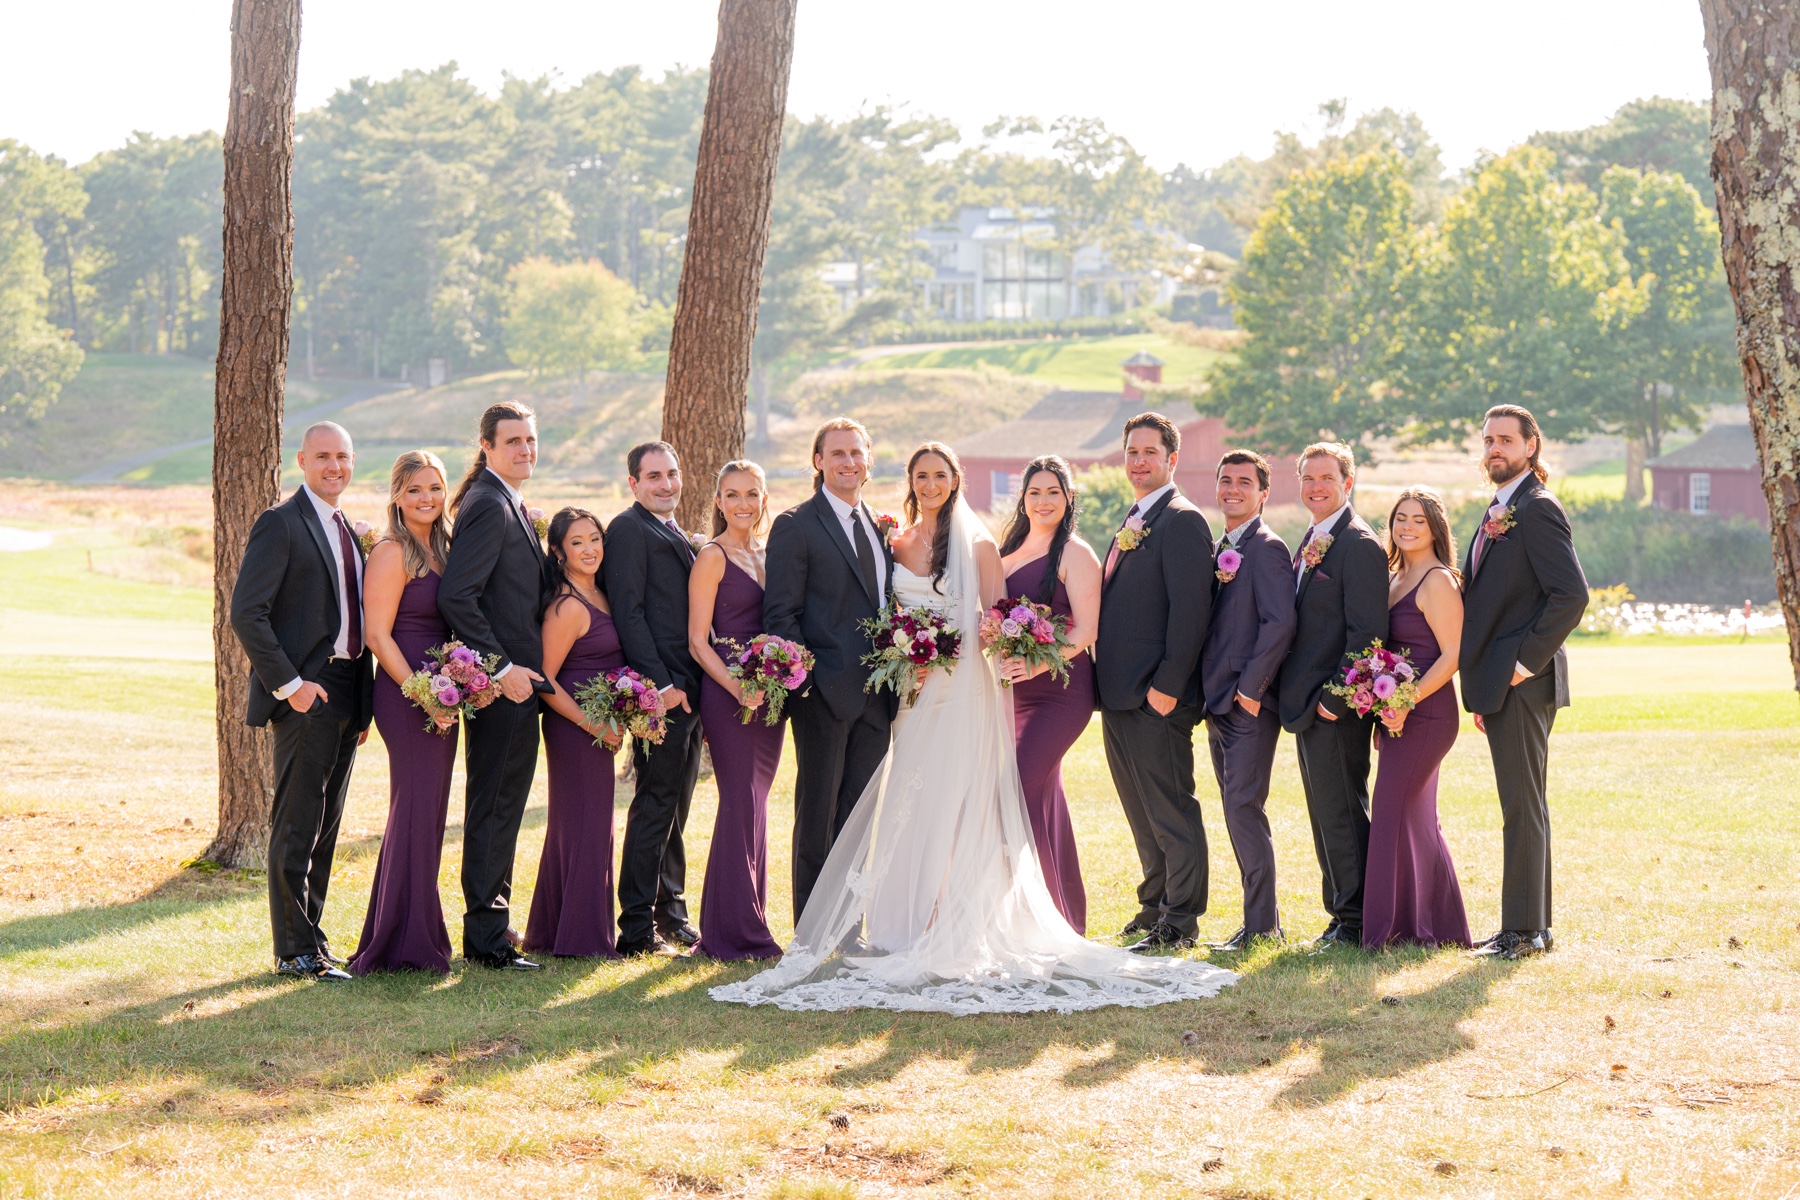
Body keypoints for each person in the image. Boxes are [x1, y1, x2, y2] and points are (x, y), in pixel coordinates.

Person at [711, 442, 1237, 1014]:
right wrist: (905, 654)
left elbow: (993, 624)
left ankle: (958, 923)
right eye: (921, 475)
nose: (931, 483)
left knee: (961, 804)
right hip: (907, 697)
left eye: (940, 474)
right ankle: (902, 925)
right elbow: (879, 615)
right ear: (910, 482)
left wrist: (960, 650)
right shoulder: (896, 540)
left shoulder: (980, 543)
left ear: (955, 479)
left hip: (960, 692)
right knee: (912, 805)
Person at [229, 421, 373, 982]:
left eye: (343, 456)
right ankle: (292, 952)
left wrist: (362, 705)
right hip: (306, 693)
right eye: (323, 457)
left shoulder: (348, 530)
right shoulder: (280, 523)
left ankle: (314, 941)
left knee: (327, 823)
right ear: (302, 461)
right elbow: (248, 612)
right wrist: (291, 685)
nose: (334, 466)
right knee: (296, 823)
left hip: (350, 692)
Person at [1460, 405, 1587, 961]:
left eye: (1506, 440)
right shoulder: (1500, 508)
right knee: (1525, 802)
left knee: (1522, 803)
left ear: (1531, 447)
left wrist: (1520, 666)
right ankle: (1531, 926)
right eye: (1489, 440)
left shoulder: (1535, 508)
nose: (1495, 449)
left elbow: (1571, 596)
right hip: (1500, 681)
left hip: (1523, 683)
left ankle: (1525, 931)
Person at [762, 418, 897, 923]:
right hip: (822, 695)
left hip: (878, 699)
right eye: (837, 453)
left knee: (860, 820)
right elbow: (780, 616)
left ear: (869, 460)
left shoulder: (879, 527)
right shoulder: (796, 524)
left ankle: (848, 926)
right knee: (817, 815)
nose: (848, 462)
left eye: (856, 453)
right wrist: (811, 685)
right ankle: (812, 929)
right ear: (818, 461)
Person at [1093, 412, 1216, 953]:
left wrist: (1166, 686)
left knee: (1170, 808)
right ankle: (1153, 906)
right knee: (1141, 811)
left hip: (1156, 697)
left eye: (1149, 452)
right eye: (1132, 451)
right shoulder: (1137, 515)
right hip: (1118, 694)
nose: (1138, 461)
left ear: (1172, 459)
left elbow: (1192, 613)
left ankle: (1181, 920)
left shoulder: (1183, 520)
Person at [437, 401, 546, 972]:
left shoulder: (509, 501)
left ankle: (494, 927)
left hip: (523, 687)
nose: (525, 449)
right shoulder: (486, 503)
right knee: (494, 806)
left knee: (504, 805)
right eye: (513, 441)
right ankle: (484, 938)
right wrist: (501, 671)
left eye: (530, 439)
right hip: (504, 689)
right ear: (487, 447)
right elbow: (457, 596)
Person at [348, 451, 458, 975]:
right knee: (415, 809)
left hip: (443, 694)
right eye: (415, 489)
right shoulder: (392, 551)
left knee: (426, 814)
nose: (427, 498)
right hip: (405, 693)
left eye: (435, 488)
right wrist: (425, 694)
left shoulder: (441, 549)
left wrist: (452, 690)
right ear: (396, 496)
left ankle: (412, 933)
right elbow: (376, 635)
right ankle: (400, 944)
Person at [1276, 442, 1389, 950]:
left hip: (1334, 708)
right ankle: (1340, 914)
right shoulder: (1316, 537)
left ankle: (1357, 920)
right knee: (1325, 811)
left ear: (1348, 483)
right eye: (1307, 478)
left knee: (1342, 811)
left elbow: (1367, 635)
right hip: (1306, 706)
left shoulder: (1359, 544)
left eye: (1326, 477)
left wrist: (1332, 701)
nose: (1315, 486)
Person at [604, 441, 705, 957]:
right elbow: (630, 612)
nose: (666, 484)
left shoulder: (674, 532)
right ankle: (636, 928)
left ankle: (673, 913)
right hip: (662, 693)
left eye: (672, 473)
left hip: (690, 692)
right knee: (654, 804)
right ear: (634, 484)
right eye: (654, 477)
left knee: (677, 807)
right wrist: (659, 687)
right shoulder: (627, 529)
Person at [994, 455, 1101, 934]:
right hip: (1013, 695)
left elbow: (1085, 630)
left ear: (1068, 498)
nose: (1043, 500)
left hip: (1061, 692)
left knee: (1018, 787)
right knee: (1044, 796)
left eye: (1053, 492)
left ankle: (1039, 924)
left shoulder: (1074, 554)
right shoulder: (1008, 550)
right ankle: (1064, 915)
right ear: (1023, 498)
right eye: (1034, 492)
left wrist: (1036, 660)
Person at [1362, 487, 1472, 950]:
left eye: (1418, 520)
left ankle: (1386, 932)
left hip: (1428, 715)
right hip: (1397, 715)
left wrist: (1406, 700)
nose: (1406, 527)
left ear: (1435, 528)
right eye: (1400, 518)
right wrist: (1382, 710)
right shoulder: (1393, 577)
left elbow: (1452, 655)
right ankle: (1438, 929)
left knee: (1389, 813)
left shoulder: (1437, 581)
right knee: (1417, 818)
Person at [1198, 451, 1296, 952]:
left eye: (1244, 482)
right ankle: (1258, 921)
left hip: (1248, 704)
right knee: (1235, 809)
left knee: (1242, 808)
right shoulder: (1220, 548)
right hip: (1217, 703)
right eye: (1225, 480)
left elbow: (1280, 622)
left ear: (1263, 493)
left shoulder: (1268, 548)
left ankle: (1263, 927)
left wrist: (1250, 692)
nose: (1232, 489)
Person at [688, 461, 785, 960]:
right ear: (719, 501)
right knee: (739, 801)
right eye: (733, 494)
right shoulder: (712, 556)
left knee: (756, 805)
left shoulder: (769, 555)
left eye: (752, 493)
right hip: (729, 695)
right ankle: (733, 934)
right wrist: (736, 688)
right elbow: (697, 641)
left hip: (769, 696)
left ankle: (746, 919)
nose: (743, 503)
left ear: (764, 498)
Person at [525, 508, 627, 958]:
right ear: (559, 552)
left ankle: (557, 932)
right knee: (584, 827)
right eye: (577, 543)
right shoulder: (566, 606)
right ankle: (582, 940)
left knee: (586, 825)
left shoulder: (603, 592)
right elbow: (544, 682)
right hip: (574, 729)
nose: (590, 550)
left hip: (600, 727)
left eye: (595, 539)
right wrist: (595, 726)